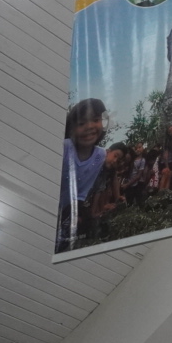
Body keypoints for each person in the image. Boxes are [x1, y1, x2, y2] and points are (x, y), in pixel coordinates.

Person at [58, 99, 109, 250]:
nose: (90, 127)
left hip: (68, 211)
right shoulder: (65, 148)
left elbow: (82, 192)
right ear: (71, 128)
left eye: (95, 120)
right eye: (81, 124)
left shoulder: (100, 155)